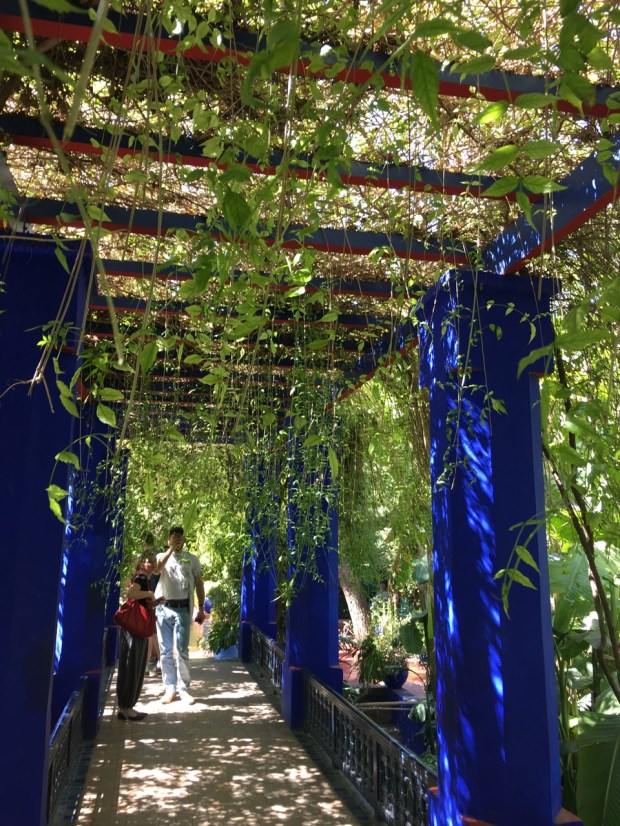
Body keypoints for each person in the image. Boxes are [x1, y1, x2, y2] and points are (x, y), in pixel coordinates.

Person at [154, 527, 205, 704]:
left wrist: (201, 608)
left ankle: (183, 689)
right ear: (168, 539)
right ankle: (170, 688)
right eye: (174, 537)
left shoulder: (192, 559)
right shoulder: (162, 556)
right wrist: (170, 550)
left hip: (183, 609)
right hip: (164, 609)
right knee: (166, 651)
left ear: (184, 540)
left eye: (180, 537)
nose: (177, 540)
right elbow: (156, 569)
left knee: (182, 651)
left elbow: (199, 583)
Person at [116, 554, 158, 721]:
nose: (153, 564)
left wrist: (154, 601)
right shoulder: (141, 577)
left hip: (136, 629)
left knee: (131, 666)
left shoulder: (145, 579)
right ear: (143, 563)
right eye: (149, 561)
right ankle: (127, 707)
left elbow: (141, 601)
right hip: (135, 630)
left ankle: (124, 707)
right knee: (133, 666)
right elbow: (131, 594)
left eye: (154, 561)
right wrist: (149, 593)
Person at [142, 533, 161, 676]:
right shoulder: (155, 560)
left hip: (150, 601)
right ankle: (155, 663)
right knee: (153, 633)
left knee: (151, 633)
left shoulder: (147, 560)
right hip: (152, 600)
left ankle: (149, 664)